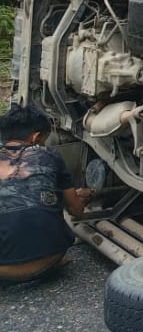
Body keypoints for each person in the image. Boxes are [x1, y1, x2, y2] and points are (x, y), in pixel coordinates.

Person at [0, 106, 93, 283]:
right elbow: (77, 211)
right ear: (36, 137)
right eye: (44, 140)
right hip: (47, 260)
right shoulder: (49, 155)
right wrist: (76, 197)